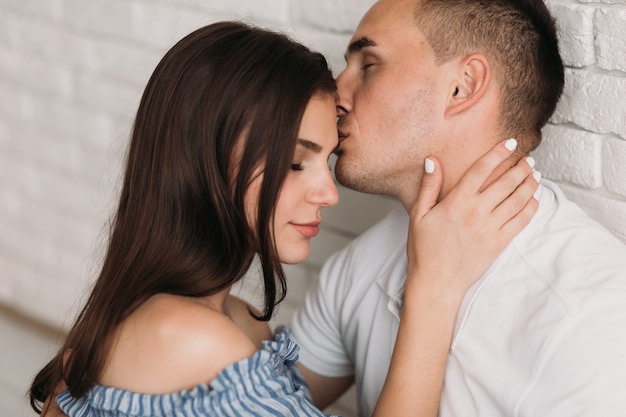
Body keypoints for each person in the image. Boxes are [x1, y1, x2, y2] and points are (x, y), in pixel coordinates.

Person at [29, 20, 539, 417]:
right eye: (297, 162)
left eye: (326, 160)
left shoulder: (234, 322)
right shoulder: (186, 338)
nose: (327, 193)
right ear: (207, 160)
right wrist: (433, 288)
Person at [291, 0, 626, 416]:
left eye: (369, 64)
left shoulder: (593, 321)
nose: (336, 96)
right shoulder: (362, 263)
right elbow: (254, 402)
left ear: (463, 86)